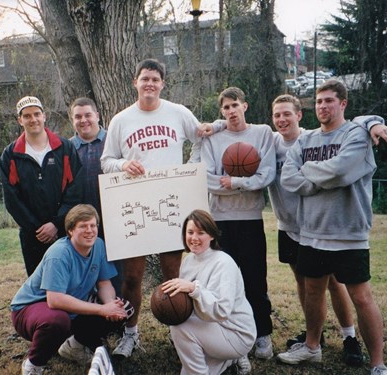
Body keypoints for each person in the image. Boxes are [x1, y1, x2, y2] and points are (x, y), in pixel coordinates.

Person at [100, 58, 222, 358]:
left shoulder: (178, 112)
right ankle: (130, 334)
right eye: (145, 79)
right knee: (132, 276)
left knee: (173, 273)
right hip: (135, 203)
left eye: (155, 79)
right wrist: (122, 163)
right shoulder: (121, 119)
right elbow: (106, 161)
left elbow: (202, 137)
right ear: (135, 82)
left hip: (171, 202)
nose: (150, 84)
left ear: (162, 83)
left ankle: (180, 331)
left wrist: (191, 166)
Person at [270, 94, 387, 366]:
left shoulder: (357, 134)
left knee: (361, 297)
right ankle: (312, 347)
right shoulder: (306, 140)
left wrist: (311, 171)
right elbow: (290, 178)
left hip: (348, 232)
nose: (323, 106)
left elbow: (340, 171)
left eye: (329, 101)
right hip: (312, 232)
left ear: (343, 104)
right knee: (312, 291)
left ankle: (377, 363)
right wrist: (324, 179)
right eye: (318, 101)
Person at [10, 204, 134, 375]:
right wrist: (101, 309)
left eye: (93, 225)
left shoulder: (98, 245)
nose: (90, 231)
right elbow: (55, 300)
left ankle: (73, 346)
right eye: (83, 226)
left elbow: (104, 283)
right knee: (57, 321)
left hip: (66, 307)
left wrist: (111, 305)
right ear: (70, 231)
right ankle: (33, 365)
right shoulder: (59, 254)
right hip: (30, 309)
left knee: (124, 309)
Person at [201, 87, 276, 360]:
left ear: (245, 106)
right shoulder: (214, 137)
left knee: (255, 280)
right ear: (221, 111)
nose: (231, 111)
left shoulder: (262, 133)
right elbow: (206, 179)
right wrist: (244, 185)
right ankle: (229, 335)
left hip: (250, 218)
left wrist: (236, 182)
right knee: (223, 283)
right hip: (220, 219)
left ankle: (263, 334)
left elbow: (267, 173)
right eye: (226, 108)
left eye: (235, 105)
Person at [162, 209, 257, 375]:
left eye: (201, 233)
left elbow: (221, 311)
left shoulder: (223, 263)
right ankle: (228, 361)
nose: (194, 238)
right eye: (190, 232)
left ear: (212, 236)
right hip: (214, 326)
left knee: (180, 327)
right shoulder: (188, 261)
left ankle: (232, 355)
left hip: (236, 333)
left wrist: (194, 289)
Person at [0, 96, 84, 276]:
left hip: (65, 229)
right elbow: (12, 199)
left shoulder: (65, 148)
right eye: (27, 116)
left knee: (68, 279)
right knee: (39, 286)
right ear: (19, 120)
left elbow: (76, 190)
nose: (33, 119)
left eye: (37, 114)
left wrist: (56, 223)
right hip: (32, 235)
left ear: (44, 116)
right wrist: (38, 228)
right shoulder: (11, 155)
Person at [68, 97, 122, 296]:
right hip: (83, 222)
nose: (84, 120)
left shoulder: (113, 142)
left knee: (117, 270)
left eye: (88, 115)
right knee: (86, 268)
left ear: (97, 116)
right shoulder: (67, 148)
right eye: (78, 117)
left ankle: (119, 314)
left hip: (114, 218)